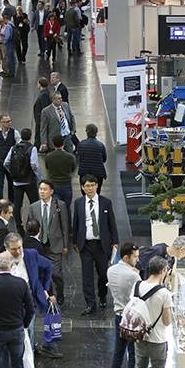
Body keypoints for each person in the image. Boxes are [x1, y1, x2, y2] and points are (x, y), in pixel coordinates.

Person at [0, 233, 57, 368]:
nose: (18, 251)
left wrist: (44, 288)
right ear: (6, 248)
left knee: (26, 344)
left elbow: (48, 265)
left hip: (27, 306)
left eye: (20, 247)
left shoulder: (31, 255)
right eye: (14, 249)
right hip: (5, 310)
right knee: (3, 348)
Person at [125, 257, 173, 368]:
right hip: (157, 341)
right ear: (162, 271)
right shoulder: (164, 293)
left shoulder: (137, 286)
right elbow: (167, 322)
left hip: (139, 338)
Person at [73, 174, 119, 315]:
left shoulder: (106, 202)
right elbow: (76, 222)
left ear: (97, 186)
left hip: (101, 244)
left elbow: (112, 222)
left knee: (103, 273)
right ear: (82, 187)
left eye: (93, 185)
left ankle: (102, 296)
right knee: (87, 275)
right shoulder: (78, 203)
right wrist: (75, 241)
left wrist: (115, 241)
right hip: (85, 244)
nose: (90, 188)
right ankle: (90, 303)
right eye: (87, 186)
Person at [107, 243, 146, 368]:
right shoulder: (133, 276)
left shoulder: (111, 270)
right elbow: (142, 296)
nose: (137, 259)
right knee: (134, 357)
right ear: (126, 257)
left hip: (119, 317)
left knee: (118, 355)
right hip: (132, 318)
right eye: (135, 257)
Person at [27, 179, 70, 307]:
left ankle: (60, 293)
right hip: (39, 246)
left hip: (55, 244)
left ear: (51, 191)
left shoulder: (59, 205)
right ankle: (44, 295)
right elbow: (29, 225)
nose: (42, 191)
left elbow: (65, 226)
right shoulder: (33, 207)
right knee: (39, 272)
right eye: (40, 189)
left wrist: (65, 244)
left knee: (56, 273)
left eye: (45, 189)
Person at [4, 128, 42, 234]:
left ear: (21, 136)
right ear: (30, 137)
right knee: (34, 204)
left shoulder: (13, 148)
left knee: (17, 205)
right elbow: (34, 165)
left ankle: (19, 227)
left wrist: (13, 173)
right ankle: (32, 225)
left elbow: (6, 163)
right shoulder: (32, 148)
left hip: (17, 182)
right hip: (29, 181)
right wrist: (40, 178)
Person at [44, 135, 76, 226]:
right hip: (66, 185)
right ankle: (68, 227)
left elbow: (47, 168)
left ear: (53, 144)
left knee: (55, 208)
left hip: (53, 185)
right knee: (66, 208)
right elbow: (73, 169)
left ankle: (56, 227)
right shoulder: (70, 157)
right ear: (63, 144)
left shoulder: (48, 156)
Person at [0, 114, 20, 200]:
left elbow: (19, 145)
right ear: (2, 123)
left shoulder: (15, 132)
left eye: (10, 121)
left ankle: (12, 202)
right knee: (0, 184)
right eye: (7, 121)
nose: (9, 123)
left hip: (11, 163)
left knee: (11, 183)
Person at [76, 123, 107, 193]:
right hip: (98, 173)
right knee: (96, 193)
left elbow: (80, 156)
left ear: (87, 133)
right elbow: (104, 159)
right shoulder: (100, 145)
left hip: (84, 173)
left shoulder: (81, 144)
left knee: (85, 194)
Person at [32, 77, 52, 148]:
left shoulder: (44, 95)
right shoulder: (44, 93)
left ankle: (35, 148)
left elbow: (45, 108)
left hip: (41, 120)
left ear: (40, 84)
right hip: (40, 119)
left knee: (39, 135)